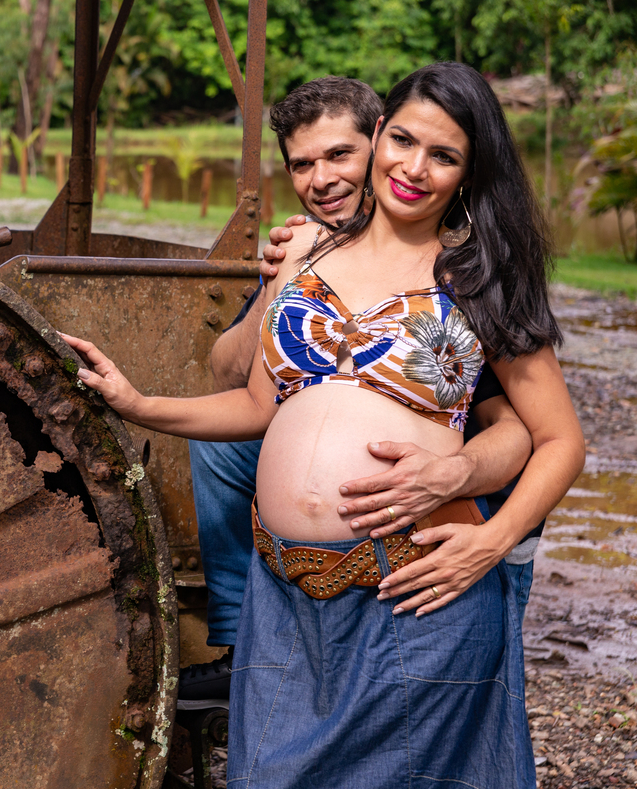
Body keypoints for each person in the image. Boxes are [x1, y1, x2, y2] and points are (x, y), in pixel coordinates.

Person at [63, 62, 584, 787]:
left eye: (444, 156)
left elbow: (559, 439)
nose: (413, 167)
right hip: (284, 598)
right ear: (379, 134)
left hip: (413, 596)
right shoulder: (308, 255)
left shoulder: (478, 275)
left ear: (469, 172)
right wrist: (140, 403)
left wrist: (492, 543)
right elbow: (254, 403)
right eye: (402, 140)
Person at [180, 76, 536, 711]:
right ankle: (240, 641)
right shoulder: (310, 254)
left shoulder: (454, 266)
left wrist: (464, 484)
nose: (322, 180)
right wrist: (279, 283)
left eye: (339, 155)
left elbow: (518, 421)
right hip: (328, 489)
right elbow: (227, 371)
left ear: (377, 143)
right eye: (302, 165)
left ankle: (472, 621)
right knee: (220, 451)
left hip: (448, 477)